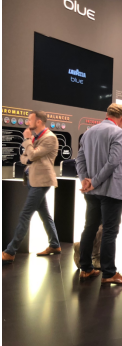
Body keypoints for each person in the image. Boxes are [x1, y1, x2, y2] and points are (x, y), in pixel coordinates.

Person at [76, 103, 122, 284]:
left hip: (92, 191)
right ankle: (109, 273)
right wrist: (94, 181)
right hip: (111, 189)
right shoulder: (117, 132)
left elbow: (79, 160)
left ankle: (86, 268)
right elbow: (113, 162)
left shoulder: (89, 132)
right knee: (110, 230)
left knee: (90, 227)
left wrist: (85, 180)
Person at [2, 111, 61, 263]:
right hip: (32, 179)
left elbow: (33, 155)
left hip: (42, 181)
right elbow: (24, 157)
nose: (27, 122)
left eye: (30, 119)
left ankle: (10, 251)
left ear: (39, 121)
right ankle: (55, 245)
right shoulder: (37, 138)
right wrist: (29, 152)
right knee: (44, 214)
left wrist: (28, 140)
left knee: (25, 215)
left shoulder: (49, 138)